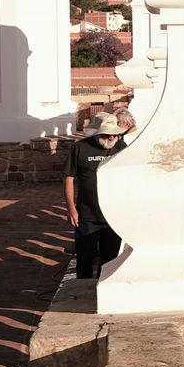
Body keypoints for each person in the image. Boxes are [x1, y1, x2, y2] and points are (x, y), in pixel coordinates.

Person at [65, 113, 127, 278]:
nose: (113, 137)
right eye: (108, 134)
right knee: (85, 259)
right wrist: (71, 208)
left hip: (112, 215)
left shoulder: (120, 147)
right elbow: (69, 178)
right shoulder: (80, 148)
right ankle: (81, 295)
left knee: (110, 260)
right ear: (97, 133)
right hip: (87, 215)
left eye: (115, 133)